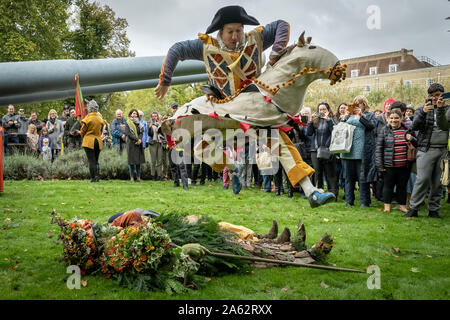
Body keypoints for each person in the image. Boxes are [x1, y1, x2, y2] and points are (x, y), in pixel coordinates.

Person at [155, 5, 335, 206]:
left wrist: (276, 51)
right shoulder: (206, 46)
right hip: (223, 110)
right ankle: (232, 168)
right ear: (220, 32)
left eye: (238, 30)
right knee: (199, 147)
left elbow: (281, 25)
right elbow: (177, 49)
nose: (235, 36)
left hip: (254, 108)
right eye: (230, 32)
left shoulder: (255, 39)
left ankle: (311, 192)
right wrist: (165, 79)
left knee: (281, 143)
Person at [405, 83, 449, 218]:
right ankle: (413, 208)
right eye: (433, 95)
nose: (436, 98)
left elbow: (445, 125)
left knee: (437, 182)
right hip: (426, 149)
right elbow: (415, 126)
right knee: (422, 179)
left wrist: (440, 109)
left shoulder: (447, 109)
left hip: (442, 150)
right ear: (429, 96)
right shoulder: (421, 109)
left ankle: (433, 210)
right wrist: (424, 112)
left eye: (438, 95)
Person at [376, 108, 417, 213]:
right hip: (389, 164)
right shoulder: (384, 130)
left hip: (404, 164)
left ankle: (402, 205)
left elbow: (418, 143)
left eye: (396, 118)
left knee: (402, 186)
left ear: (402, 118)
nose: (394, 120)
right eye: (391, 118)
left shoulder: (408, 129)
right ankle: (387, 206)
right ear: (388, 118)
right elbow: (379, 149)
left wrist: (411, 138)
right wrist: (380, 165)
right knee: (388, 185)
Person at [341, 95, 377, 208]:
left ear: (364, 105)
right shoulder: (349, 116)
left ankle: (365, 202)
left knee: (363, 177)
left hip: (361, 151)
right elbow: (339, 130)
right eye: (355, 103)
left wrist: (361, 115)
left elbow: (372, 126)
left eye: (360, 103)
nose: (357, 105)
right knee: (348, 178)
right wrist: (344, 118)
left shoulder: (369, 115)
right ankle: (349, 201)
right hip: (347, 150)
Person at [307, 102, 338, 198]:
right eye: (320, 109)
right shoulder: (315, 121)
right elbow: (309, 133)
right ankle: (319, 194)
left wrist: (328, 119)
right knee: (317, 173)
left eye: (324, 109)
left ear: (328, 110)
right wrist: (310, 121)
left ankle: (333, 194)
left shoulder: (332, 120)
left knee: (330, 173)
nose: (322, 111)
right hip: (315, 150)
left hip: (327, 150)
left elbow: (334, 131)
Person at [80, 100, 107, 183]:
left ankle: (93, 178)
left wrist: (83, 136)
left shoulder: (87, 118)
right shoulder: (100, 118)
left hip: (88, 141)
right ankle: (97, 177)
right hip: (98, 141)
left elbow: (82, 131)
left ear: (89, 108)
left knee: (91, 160)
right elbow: (102, 130)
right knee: (96, 160)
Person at [124, 109, 146, 182]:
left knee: (138, 162)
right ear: (130, 114)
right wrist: (137, 139)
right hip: (131, 144)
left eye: (136, 114)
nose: (135, 115)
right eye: (133, 113)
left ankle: (138, 177)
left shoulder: (139, 123)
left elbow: (141, 132)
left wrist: (139, 139)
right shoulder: (128, 123)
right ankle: (132, 177)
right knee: (131, 162)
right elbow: (128, 133)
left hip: (138, 144)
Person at [148, 112, 164, 180]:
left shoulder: (160, 124)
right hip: (153, 143)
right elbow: (149, 134)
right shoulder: (149, 124)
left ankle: (159, 175)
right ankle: (153, 175)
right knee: (153, 160)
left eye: (156, 116)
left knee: (159, 160)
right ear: (151, 117)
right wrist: (150, 127)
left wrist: (160, 129)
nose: (154, 117)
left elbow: (163, 133)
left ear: (157, 117)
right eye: (153, 116)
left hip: (159, 143)